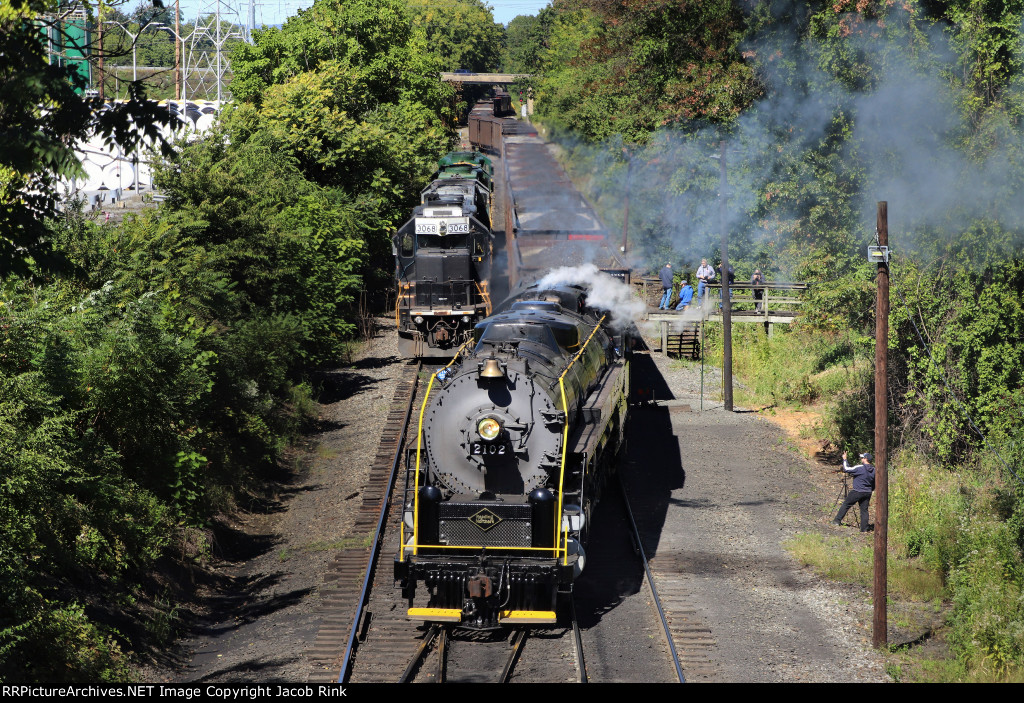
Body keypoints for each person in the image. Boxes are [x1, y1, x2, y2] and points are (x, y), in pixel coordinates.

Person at [832, 451, 875, 532]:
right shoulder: (874, 470)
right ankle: (864, 528)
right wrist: (871, 489)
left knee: (846, 504)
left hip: (857, 491)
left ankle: (837, 521)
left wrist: (845, 460)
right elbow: (874, 482)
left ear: (865, 459)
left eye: (862, 457)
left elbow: (847, 469)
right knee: (864, 510)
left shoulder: (860, 468)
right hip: (867, 492)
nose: (861, 459)